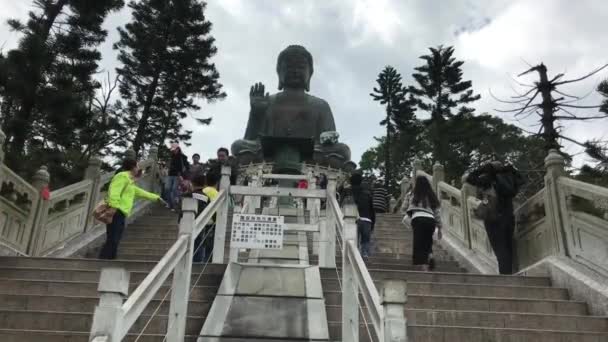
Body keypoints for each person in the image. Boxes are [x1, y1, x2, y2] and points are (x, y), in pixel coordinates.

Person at [99, 159, 165, 259]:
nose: (138, 169)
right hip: (116, 211)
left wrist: (156, 198)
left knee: (116, 237)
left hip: (122, 213)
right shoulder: (122, 176)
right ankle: (104, 259)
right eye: (137, 166)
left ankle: (110, 258)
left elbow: (141, 192)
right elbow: (114, 192)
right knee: (113, 237)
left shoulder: (130, 181)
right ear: (133, 167)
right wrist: (113, 207)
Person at [465, 161, 523, 274]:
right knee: (508, 247)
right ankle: (508, 275)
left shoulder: (489, 179)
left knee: (500, 249)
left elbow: (470, 178)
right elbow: (521, 180)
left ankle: (505, 277)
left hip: (493, 218)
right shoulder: (509, 180)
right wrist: (511, 170)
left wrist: (482, 169)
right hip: (509, 217)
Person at [406, 176, 442, 272]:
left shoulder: (414, 194)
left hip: (418, 219)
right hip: (430, 220)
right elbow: (437, 213)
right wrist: (440, 228)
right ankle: (430, 255)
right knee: (427, 242)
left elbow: (407, 207)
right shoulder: (431, 195)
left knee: (419, 243)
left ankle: (422, 266)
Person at [350, 173, 376, 259]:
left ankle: (354, 255)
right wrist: (373, 223)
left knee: (354, 239)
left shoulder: (349, 192)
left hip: (353, 219)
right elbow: (372, 210)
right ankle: (364, 254)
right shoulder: (367, 193)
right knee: (365, 240)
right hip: (367, 220)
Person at [165, 142, 189, 210]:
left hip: (178, 175)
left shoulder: (183, 157)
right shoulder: (171, 156)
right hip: (170, 175)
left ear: (178, 149)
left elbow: (187, 167)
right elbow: (169, 165)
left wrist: (183, 175)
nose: (173, 151)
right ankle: (169, 203)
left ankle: (174, 205)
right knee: (167, 189)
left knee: (174, 190)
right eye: (172, 149)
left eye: (174, 149)